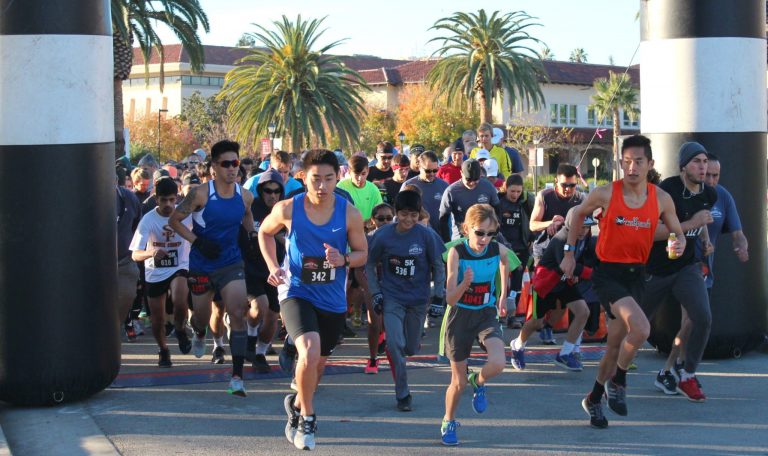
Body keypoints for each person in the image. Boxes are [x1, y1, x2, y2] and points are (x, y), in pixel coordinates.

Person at [560, 134, 684, 429]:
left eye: (638, 162)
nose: (632, 168)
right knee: (641, 329)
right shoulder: (605, 193)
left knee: (616, 345)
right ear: (620, 163)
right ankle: (620, 380)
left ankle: (593, 397)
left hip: (637, 275)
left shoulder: (661, 198)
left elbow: (676, 232)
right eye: (626, 162)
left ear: (649, 164)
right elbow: (578, 215)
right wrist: (569, 252)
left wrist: (678, 243)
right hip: (608, 274)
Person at [259, 149, 367, 451]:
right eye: (315, 179)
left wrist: (343, 258)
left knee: (316, 365)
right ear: (303, 177)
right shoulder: (287, 208)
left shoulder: (349, 213)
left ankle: (295, 404)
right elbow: (265, 234)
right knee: (308, 350)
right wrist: (273, 267)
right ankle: (307, 419)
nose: (321, 186)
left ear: (338, 178)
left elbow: (363, 254)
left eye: (328, 179)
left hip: (331, 299)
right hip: (296, 291)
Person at [169, 139, 256, 397]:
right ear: (214, 168)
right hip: (202, 264)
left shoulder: (245, 195)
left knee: (238, 312)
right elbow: (175, 220)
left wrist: (250, 237)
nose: (232, 169)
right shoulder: (199, 194)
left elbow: (247, 215)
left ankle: (237, 377)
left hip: (231, 262)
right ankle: (198, 332)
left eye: (236, 163)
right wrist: (199, 241)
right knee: (202, 317)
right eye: (226, 164)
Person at [642, 141, 717, 402]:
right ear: (684, 166)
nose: (703, 167)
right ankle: (610, 378)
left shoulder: (708, 194)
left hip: (687, 267)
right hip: (657, 269)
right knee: (635, 327)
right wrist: (691, 224)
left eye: (705, 162)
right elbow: (652, 233)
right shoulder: (667, 191)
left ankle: (687, 374)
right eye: (697, 161)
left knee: (702, 317)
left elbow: (702, 217)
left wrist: (705, 239)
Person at [366, 191, 446, 411]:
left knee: (410, 348)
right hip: (392, 298)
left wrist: (438, 297)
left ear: (419, 213)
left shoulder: (426, 235)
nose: (408, 219)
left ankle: (413, 338)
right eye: (403, 214)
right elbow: (369, 265)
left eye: (413, 214)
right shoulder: (382, 235)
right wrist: (375, 292)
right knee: (394, 345)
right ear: (395, 213)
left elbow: (439, 266)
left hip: (418, 300)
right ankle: (402, 393)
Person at [440, 204, 510, 446]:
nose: (485, 239)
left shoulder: (496, 248)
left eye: (490, 233)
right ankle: (449, 421)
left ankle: (478, 381)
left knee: (499, 362)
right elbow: (449, 298)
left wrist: (502, 295)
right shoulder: (456, 253)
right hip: (459, 316)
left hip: (485, 314)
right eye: (480, 233)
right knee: (457, 382)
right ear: (466, 228)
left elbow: (505, 262)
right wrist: (465, 283)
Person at [510, 208, 596, 372]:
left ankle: (565, 353)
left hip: (564, 282)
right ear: (570, 224)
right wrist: (592, 274)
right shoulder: (561, 238)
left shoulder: (585, 237)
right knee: (536, 322)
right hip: (546, 284)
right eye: (580, 226)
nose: (583, 231)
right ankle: (518, 345)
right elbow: (566, 265)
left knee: (582, 311)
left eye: (587, 227)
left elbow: (580, 260)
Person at [129, 177, 193, 367]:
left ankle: (180, 329)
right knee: (157, 319)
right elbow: (135, 254)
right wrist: (152, 252)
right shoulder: (148, 219)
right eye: (163, 200)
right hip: (155, 271)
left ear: (177, 198)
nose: (168, 205)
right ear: (156, 199)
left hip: (179, 266)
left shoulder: (185, 215)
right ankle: (163, 350)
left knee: (180, 298)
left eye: (172, 200)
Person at [530, 163, 586, 344]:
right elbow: (532, 225)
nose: (568, 189)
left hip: (569, 253)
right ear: (556, 182)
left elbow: (589, 226)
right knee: (546, 296)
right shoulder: (544, 196)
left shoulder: (581, 199)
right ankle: (525, 336)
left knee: (565, 296)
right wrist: (550, 223)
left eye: (572, 185)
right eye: (564, 185)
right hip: (545, 253)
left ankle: (549, 326)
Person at [240, 168, 285, 374]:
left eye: (276, 191)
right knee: (260, 306)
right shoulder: (251, 208)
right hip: (252, 268)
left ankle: (259, 353)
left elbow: (292, 239)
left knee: (273, 314)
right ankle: (249, 337)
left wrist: (273, 234)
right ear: (261, 190)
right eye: (268, 191)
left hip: (278, 269)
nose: (272, 195)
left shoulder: (286, 211)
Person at [496, 174, 535, 327]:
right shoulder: (498, 203)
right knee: (501, 282)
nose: (515, 195)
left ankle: (512, 317)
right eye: (512, 191)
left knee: (517, 284)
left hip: (521, 248)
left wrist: (531, 238)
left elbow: (533, 221)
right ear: (506, 187)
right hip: (503, 248)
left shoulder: (525, 203)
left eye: (519, 191)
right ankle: (499, 315)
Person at [438, 159, 500, 243]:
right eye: (468, 179)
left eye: (476, 180)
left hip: (485, 237)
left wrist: (493, 233)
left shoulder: (487, 186)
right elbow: (443, 220)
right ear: (461, 173)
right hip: (462, 238)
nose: (472, 183)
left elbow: (497, 211)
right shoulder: (451, 191)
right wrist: (447, 241)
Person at [116, 167, 142, 339]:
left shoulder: (129, 198)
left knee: (127, 296)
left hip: (123, 261)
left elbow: (136, 227)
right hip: (92, 264)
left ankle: (115, 330)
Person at [401, 151, 448, 234]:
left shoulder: (444, 186)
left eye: (435, 170)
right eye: (428, 171)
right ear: (419, 167)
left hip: (440, 236)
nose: (432, 174)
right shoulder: (409, 185)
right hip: (416, 234)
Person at [337, 155, 383, 221]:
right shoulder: (341, 187)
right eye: (356, 174)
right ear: (349, 172)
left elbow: (380, 213)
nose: (360, 178)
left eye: (363, 174)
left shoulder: (374, 190)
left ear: (368, 171)